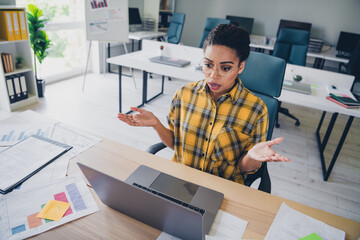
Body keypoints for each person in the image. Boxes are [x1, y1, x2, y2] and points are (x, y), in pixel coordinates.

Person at [118, 24, 290, 185]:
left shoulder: (256, 109)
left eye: (225, 68)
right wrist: (156, 124)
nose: (213, 75)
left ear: (240, 67)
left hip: (223, 189)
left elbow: (245, 168)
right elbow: (177, 146)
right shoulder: (184, 94)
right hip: (181, 180)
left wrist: (252, 157)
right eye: (208, 65)